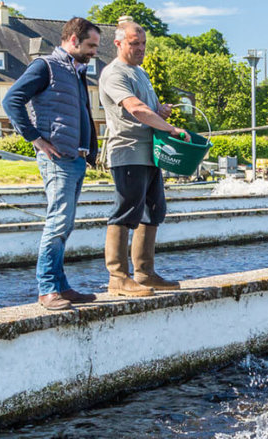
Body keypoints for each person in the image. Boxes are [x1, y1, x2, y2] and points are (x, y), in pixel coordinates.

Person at [2, 17, 102, 310]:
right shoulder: (45, 66)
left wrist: (91, 152)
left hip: (75, 159)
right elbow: (11, 101)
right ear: (73, 40)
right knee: (57, 222)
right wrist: (35, 138)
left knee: (65, 225)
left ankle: (60, 285)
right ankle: (47, 290)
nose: (95, 51)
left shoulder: (75, 71)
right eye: (91, 45)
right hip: (57, 160)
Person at [98, 21, 186, 297]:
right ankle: (118, 276)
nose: (140, 49)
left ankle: (145, 273)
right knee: (126, 211)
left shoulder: (140, 73)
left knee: (153, 210)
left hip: (150, 152)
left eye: (143, 43)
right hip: (128, 151)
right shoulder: (114, 74)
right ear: (119, 44)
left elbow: (147, 108)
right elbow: (135, 108)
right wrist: (170, 128)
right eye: (134, 43)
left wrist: (160, 111)